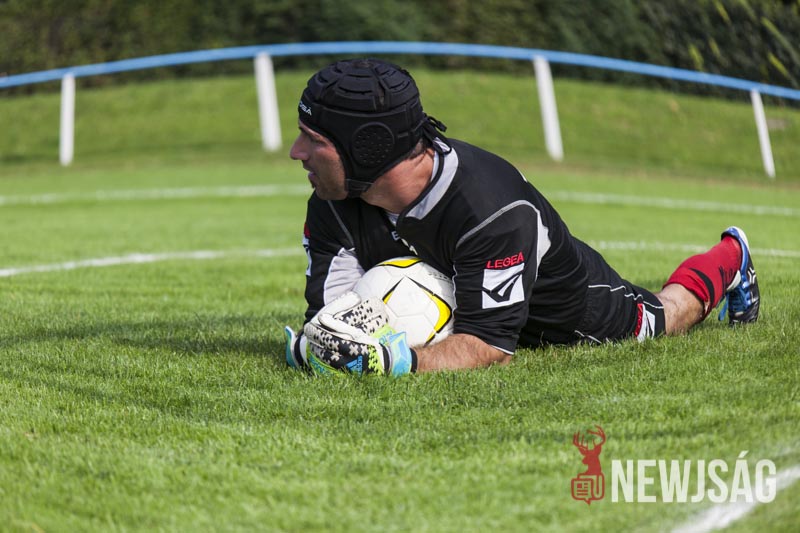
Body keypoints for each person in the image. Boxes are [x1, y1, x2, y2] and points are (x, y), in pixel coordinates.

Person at [283, 58, 760, 376]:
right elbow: (329, 318)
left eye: (314, 140)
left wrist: (399, 362)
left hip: (570, 313)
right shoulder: (331, 201)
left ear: (367, 147)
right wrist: (320, 346)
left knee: (667, 314)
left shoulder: (491, 209)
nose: (296, 151)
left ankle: (731, 256)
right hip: (473, 299)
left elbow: (488, 346)